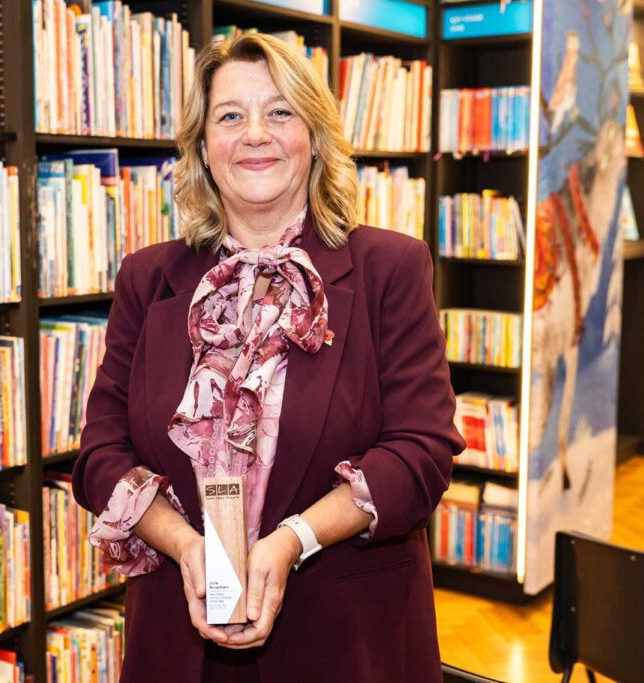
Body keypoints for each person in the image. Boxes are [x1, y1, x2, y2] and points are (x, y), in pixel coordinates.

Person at [72, 33, 464, 683]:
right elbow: (99, 454)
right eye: (230, 115)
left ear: (314, 136)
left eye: (280, 112)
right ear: (202, 146)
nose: (256, 133)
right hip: (178, 639)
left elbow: (422, 453)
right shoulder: (147, 278)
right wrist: (184, 545)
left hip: (346, 645)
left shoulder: (390, 268)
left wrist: (293, 540)